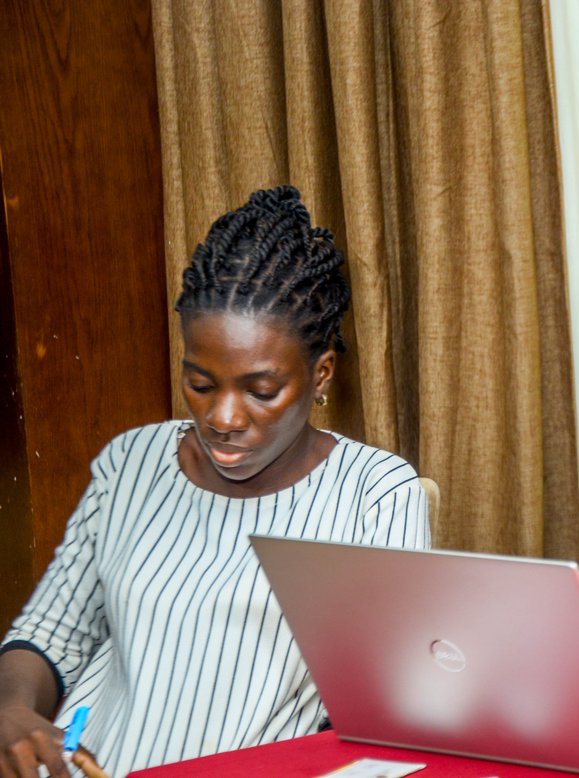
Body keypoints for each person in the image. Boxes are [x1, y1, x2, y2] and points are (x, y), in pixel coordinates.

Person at [0, 186, 430, 777]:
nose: (222, 420)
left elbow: (389, 715)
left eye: (260, 391)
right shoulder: (132, 461)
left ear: (321, 373)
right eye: (201, 384)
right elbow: (52, 633)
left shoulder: (375, 493)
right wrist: (11, 710)